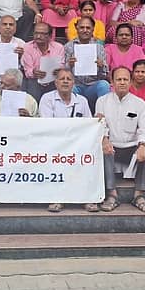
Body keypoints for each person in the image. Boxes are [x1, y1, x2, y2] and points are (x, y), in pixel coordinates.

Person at [95, 67, 145, 213]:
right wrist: (104, 139)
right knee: (103, 148)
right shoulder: (102, 101)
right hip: (112, 147)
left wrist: (142, 145)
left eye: (125, 79)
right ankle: (112, 195)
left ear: (130, 81)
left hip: (131, 148)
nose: (122, 82)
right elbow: (100, 125)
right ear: (112, 82)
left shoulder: (139, 103)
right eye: (119, 79)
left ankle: (139, 195)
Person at [41, 67, 94, 212]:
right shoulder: (47, 99)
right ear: (56, 83)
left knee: (89, 157)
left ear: (73, 83)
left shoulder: (82, 101)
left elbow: (89, 125)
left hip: (78, 144)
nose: (65, 81)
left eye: (68, 79)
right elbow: (47, 125)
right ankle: (57, 198)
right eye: (62, 79)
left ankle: (86, 198)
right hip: (54, 144)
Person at [63, 16, 110, 110]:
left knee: (104, 85)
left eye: (88, 28)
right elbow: (63, 73)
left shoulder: (99, 47)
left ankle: (102, 114)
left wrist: (101, 66)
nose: (85, 30)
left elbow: (104, 75)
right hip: (76, 85)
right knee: (68, 87)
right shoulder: (68, 46)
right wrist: (69, 65)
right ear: (77, 28)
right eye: (82, 27)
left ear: (93, 29)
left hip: (93, 85)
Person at [22, 22, 65, 100]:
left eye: (42, 34)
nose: (38, 36)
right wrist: (34, 72)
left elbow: (62, 66)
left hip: (54, 79)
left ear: (50, 36)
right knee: (32, 84)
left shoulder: (59, 47)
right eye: (36, 33)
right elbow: (28, 72)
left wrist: (59, 71)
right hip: (35, 80)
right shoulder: (27, 47)